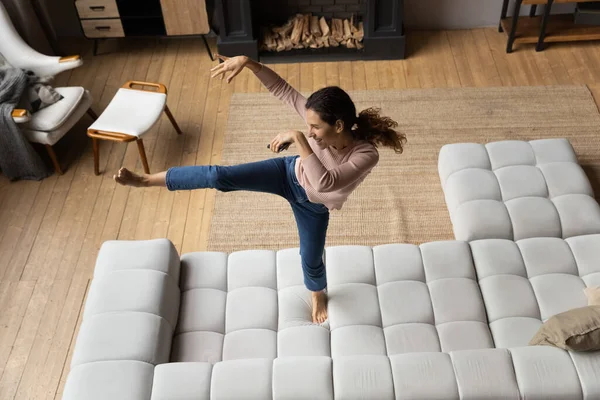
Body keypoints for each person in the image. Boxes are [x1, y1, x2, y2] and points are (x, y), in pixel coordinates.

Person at [114, 54, 406, 323]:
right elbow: (282, 89)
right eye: (308, 126)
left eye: (315, 128)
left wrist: (297, 139)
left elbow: (325, 183)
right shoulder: (318, 125)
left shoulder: (366, 155)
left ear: (339, 125)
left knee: (311, 258)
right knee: (219, 176)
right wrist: (249, 63)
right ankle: (146, 180)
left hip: (313, 206)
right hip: (286, 173)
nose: (310, 131)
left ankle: (318, 293)